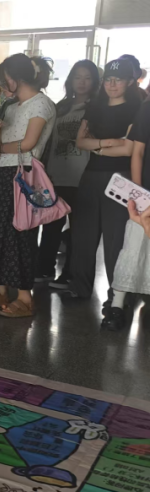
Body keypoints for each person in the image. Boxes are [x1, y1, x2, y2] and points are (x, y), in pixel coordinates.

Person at [0, 54, 56, 318]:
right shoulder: (12, 107)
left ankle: (25, 299)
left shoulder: (41, 103)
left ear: (15, 78)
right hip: (2, 172)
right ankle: (1, 291)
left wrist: (2, 146)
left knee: (20, 235)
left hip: (24, 174)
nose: (2, 85)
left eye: (3, 80)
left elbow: (28, 144)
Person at [67, 58, 141, 304]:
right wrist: (109, 143)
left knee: (115, 238)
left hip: (121, 178)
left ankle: (116, 295)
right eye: (108, 79)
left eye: (118, 80)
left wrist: (96, 146)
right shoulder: (95, 107)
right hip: (91, 175)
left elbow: (129, 149)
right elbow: (80, 142)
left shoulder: (136, 108)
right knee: (83, 234)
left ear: (129, 82)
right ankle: (79, 287)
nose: (112, 84)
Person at [38, 60, 99, 289]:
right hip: (56, 175)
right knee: (51, 225)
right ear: (70, 80)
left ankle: (69, 274)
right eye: (77, 77)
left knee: (77, 231)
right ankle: (44, 268)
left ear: (94, 82)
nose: (82, 82)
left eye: (87, 78)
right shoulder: (61, 107)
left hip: (83, 177)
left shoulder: (97, 108)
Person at [104, 92, 150, 330]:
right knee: (132, 246)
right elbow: (137, 152)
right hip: (147, 192)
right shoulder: (148, 108)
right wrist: (138, 193)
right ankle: (117, 305)